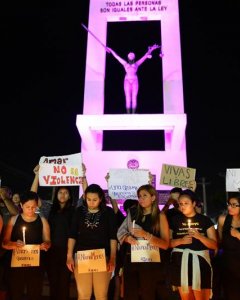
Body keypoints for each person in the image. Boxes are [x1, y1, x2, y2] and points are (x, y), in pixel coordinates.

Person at [117, 184, 170, 300]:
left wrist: (146, 235)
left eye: (144, 196)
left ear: (153, 197)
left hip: (151, 262)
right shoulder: (133, 212)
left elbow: (166, 244)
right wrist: (127, 238)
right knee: (130, 294)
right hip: (132, 260)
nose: (141, 199)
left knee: (148, 294)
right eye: (139, 196)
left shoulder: (160, 216)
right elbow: (120, 232)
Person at [67, 183, 118, 300]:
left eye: (95, 200)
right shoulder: (79, 211)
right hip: (82, 256)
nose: (91, 202)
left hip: (102, 256)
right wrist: (69, 255)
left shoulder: (108, 212)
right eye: (89, 199)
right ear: (85, 198)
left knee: (101, 295)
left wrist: (113, 258)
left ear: (100, 199)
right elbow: (72, 235)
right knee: (83, 294)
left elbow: (113, 237)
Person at [2, 191, 51, 300]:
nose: (30, 210)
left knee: (34, 292)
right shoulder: (14, 220)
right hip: (16, 264)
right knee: (15, 292)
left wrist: (45, 245)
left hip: (35, 264)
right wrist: (13, 244)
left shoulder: (42, 221)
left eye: (33, 207)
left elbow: (48, 240)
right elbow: (5, 243)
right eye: (27, 207)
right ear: (21, 205)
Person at [169, 189, 217, 300]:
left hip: (200, 263)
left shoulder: (204, 220)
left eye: (186, 203)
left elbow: (214, 245)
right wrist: (181, 241)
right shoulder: (174, 220)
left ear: (194, 203)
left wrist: (200, 237)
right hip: (180, 263)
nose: (183, 206)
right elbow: (168, 243)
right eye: (180, 204)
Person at [107, 44, 160, 114]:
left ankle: (133, 114)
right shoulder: (125, 64)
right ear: (128, 57)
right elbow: (116, 56)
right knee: (128, 98)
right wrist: (110, 49)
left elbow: (145, 56)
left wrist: (152, 49)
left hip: (135, 80)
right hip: (127, 81)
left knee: (134, 97)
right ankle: (128, 114)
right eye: (130, 55)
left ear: (134, 57)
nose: (131, 56)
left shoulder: (137, 64)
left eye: (132, 55)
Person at [217, 195, 240, 300]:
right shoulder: (223, 219)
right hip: (228, 261)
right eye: (229, 204)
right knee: (230, 290)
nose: (230, 207)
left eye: (234, 205)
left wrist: (238, 235)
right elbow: (220, 239)